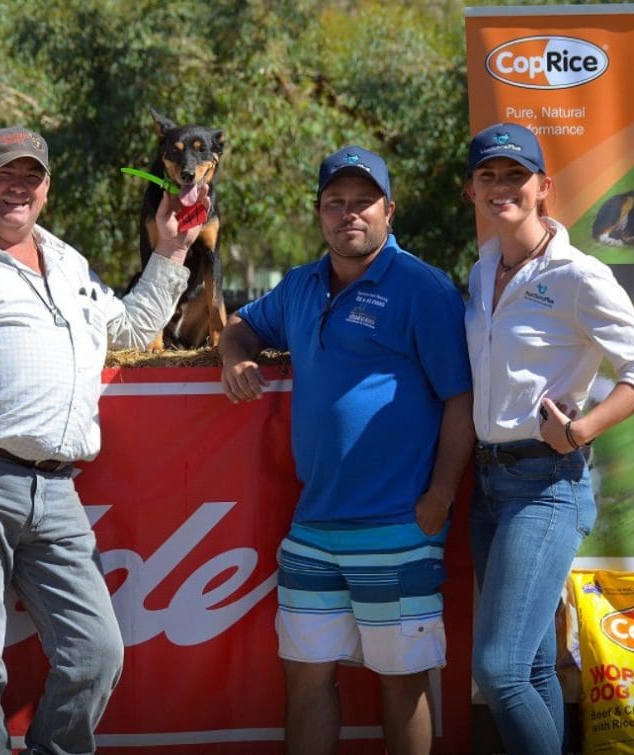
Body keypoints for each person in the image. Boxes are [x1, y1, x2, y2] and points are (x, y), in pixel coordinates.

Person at [0, 126, 208, 754]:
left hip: (58, 490)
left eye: (31, 175)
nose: (18, 186)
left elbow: (128, 332)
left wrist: (171, 252)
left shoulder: (67, 260)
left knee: (97, 654)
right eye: (5, 173)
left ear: (47, 189)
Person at [219, 145, 474, 755]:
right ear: (319, 212)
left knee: (401, 682)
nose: (348, 214)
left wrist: (439, 497)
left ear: (390, 209)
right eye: (336, 202)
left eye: (363, 202)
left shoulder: (423, 288)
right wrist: (237, 357)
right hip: (313, 526)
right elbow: (239, 324)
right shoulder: (301, 285)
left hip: (398, 524)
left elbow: (461, 400)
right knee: (305, 678)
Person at [463, 122, 634, 754]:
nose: (502, 188)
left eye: (515, 177)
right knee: (528, 668)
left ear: (543, 188)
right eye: (489, 177)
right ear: (471, 190)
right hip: (488, 484)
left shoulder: (581, 275)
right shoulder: (482, 269)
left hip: (546, 487)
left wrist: (580, 430)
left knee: (497, 670)